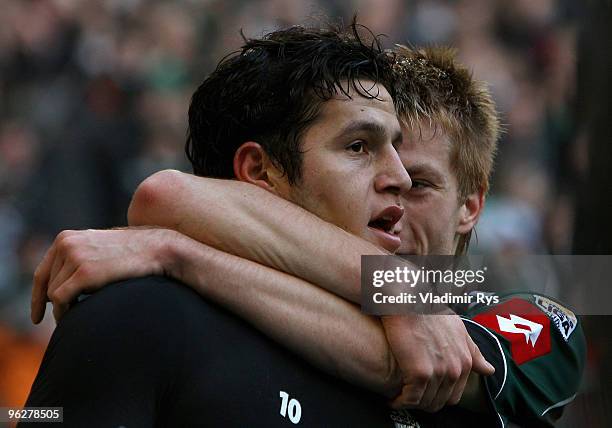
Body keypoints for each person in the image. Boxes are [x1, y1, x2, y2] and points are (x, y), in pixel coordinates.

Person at [27, 37, 585, 427]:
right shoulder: (141, 314)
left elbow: (420, 365)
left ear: (471, 208)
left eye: (420, 183)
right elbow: (164, 195)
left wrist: (177, 248)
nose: (393, 183)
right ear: (261, 174)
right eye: (363, 149)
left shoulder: (530, 307)